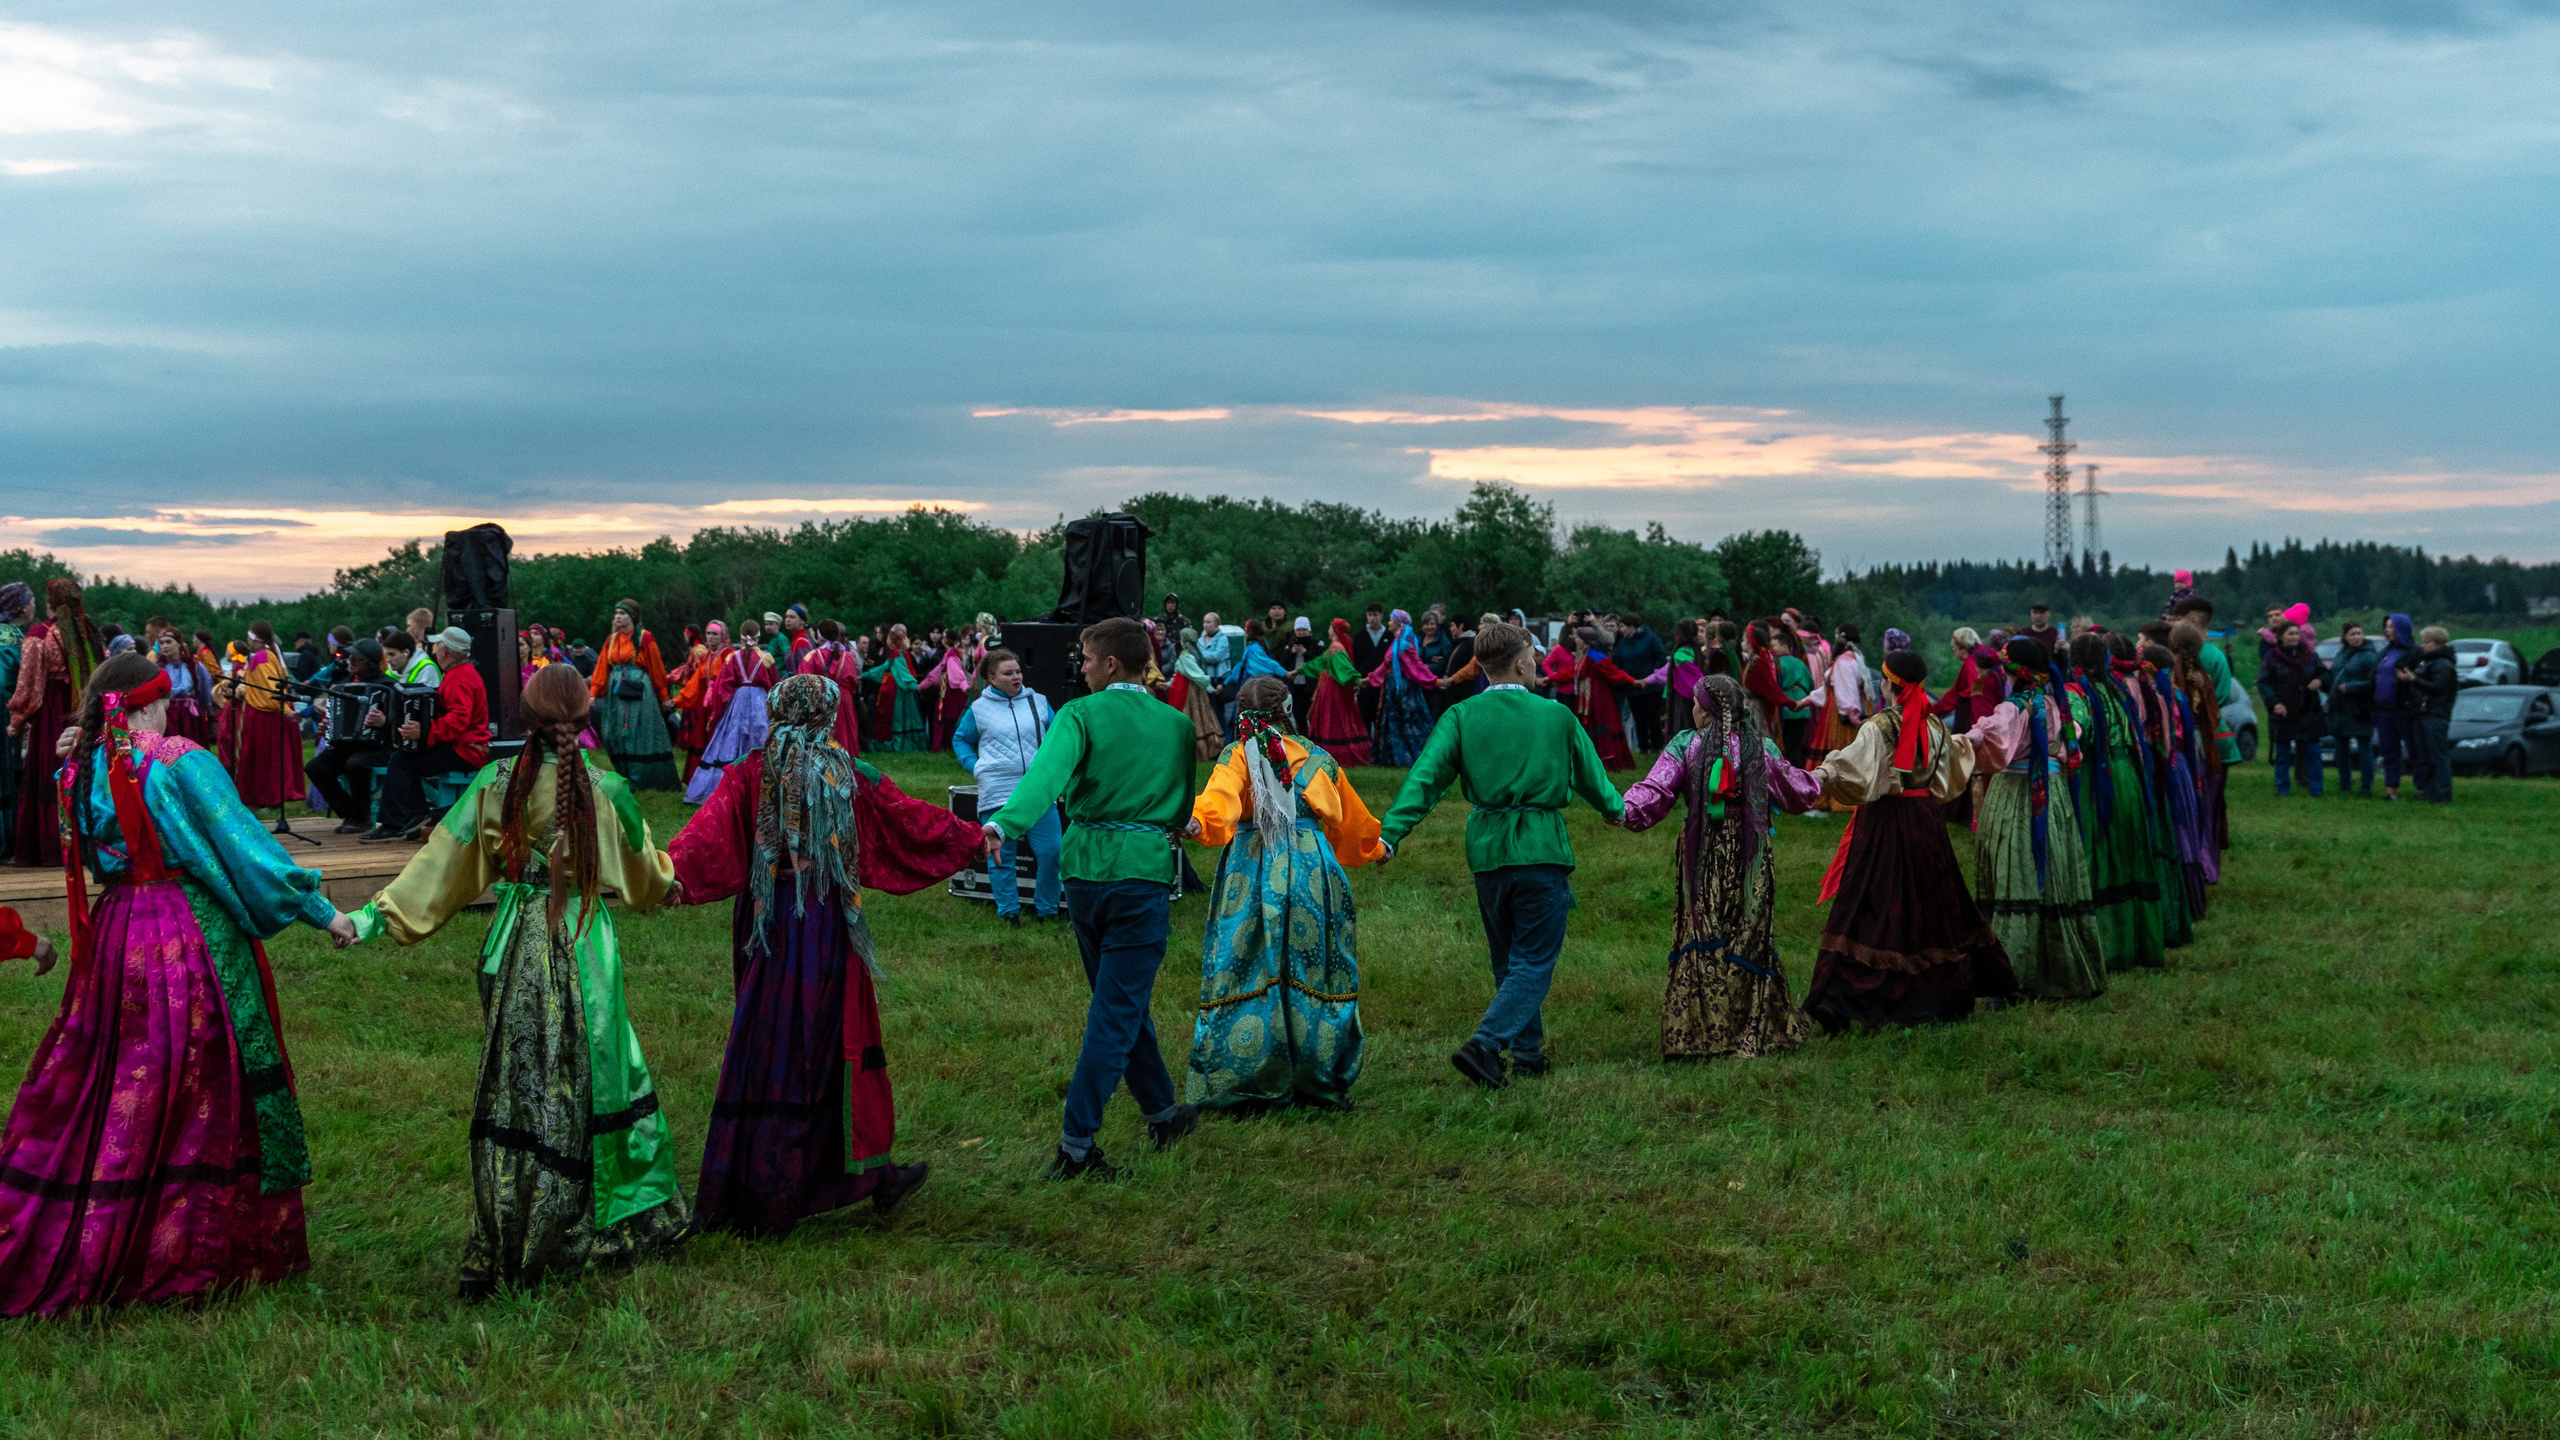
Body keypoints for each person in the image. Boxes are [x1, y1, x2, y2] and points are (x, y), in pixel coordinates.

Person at [0, 652, 355, 1316]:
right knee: (203, 1082)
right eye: (165, 702)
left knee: (123, 1079)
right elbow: (241, 846)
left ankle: (112, 1221)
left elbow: (83, 843)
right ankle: (194, 1242)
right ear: (146, 704)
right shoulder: (176, 758)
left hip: (118, 933)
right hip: (188, 936)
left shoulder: (80, 765)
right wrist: (322, 911)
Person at [344, 663, 690, 1296]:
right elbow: (642, 872)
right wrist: (666, 887)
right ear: (585, 719)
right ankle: (602, 1221)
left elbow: (441, 867)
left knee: (522, 1079)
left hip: (518, 944)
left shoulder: (497, 783)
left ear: (525, 720)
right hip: (585, 944)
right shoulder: (606, 788)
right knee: (600, 1070)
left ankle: (515, 1215)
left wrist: (371, 919)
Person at [668, 674, 977, 1235]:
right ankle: (838, 1181)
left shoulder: (751, 772)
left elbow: (703, 840)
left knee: (764, 1037)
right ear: (830, 716)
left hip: (766, 920)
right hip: (823, 923)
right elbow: (910, 821)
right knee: (829, 1039)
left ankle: (751, 1187)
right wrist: (976, 839)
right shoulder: (846, 772)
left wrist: (662, 875)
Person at [979, 617, 1201, 1181]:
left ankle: (1162, 1113)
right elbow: (1179, 811)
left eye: (1084, 658)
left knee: (1119, 1002)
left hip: (1083, 875)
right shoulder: (1176, 725)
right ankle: (1076, 1146)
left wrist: (1004, 824)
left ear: (1110, 664)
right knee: (1117, 1009)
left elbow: (1043, 778)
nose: (1079, 667)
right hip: (1143, 873)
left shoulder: (1079, 714)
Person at [1376, 622, 1624, 1089]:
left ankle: (1528, 1052)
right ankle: (1486, 1044)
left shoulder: (1462, 715)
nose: (1535, 661)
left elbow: (1425, 777)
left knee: (1506, 955)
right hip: (1540, 846)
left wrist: (1391, 834)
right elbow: (1592, 777)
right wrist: (1616, 810)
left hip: (1488, 849)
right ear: (1520, 662)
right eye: (1532, 655)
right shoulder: (1555, 716)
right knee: (1534, 957)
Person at [1181, 675, 1384, 1111]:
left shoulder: (1238, 755)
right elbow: (1352, 821)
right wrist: (1375, 848)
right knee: (1316, 964)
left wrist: (1200, 822)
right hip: (1312, 871)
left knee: (1245, 962)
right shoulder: (1319, 758)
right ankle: (1319, 1077)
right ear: (1289, 710)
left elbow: (1220, 797)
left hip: (1251, 869)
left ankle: (1246, 1077)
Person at [1801, 648, 2020, 1031]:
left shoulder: (1879, 726)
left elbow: (1855, 766)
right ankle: (1936, 994)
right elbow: (1952, 768)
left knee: (1872, 903)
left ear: (1889, 684)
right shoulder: (1933, 725)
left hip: (1885, 823)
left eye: (1883, 678)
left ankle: (1848, 996)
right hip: (1925, 823)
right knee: (1932, 900)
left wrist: (1823, 773)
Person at [1620, 673, 1823, 1059]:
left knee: (1703, 925)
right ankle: (1749, 1031)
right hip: (1751, 852)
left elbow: (1656, 790)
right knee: (1748, 928)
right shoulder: (1759, 748)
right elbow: (1796, 790)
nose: (1692, 710)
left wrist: (1622, 809)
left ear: (1705, 709)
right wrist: (1823, 778)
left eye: (1696, 703)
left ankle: (1700, 1033)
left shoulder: (1686, 745)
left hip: (1701, 850)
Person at [1966, 638, 2107, 1001]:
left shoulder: (2013, 708)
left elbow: (1987, 738)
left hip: (2017, 794)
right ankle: (2057, 969)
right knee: (2050, 874)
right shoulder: (2054, 703)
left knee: (2016, 870)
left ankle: (2009, 975)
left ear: (2014, 672)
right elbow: (2070, 737)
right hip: (2053, 796)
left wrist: (1955, 742)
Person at [2068, 633, 2165, 971]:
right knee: (2131, 852)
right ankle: (2140, 943)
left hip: (2099, 780)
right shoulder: (2118, 690)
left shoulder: (2077, 693)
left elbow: (2078, 733)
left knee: (2100, 854)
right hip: (2130, 778)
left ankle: (2107, 947)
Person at [955, 649, 1062, 926]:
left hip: (1038, 791)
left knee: (1052, 852)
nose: (1016, 677)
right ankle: (1008, 913)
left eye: (1017, 671)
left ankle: (1047, 911)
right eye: (1008, 673)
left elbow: (1057, 737)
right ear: (991, 678)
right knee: (1002, 855)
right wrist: (976, 766)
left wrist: (1053, 770)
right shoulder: (979, 709)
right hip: (998, 791)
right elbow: (961, 740)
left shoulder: (1039, 702)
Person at [366, 628, 489, 842]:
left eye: (437, 646)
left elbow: (459, 721)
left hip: (466, 750)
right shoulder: (461, 673)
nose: (435, 650)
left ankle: (397, 821)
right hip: (466, 747)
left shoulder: (459, 678)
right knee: (405, 758)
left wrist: (424, 731)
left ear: (446, 651)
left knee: (402, 760)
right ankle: (415, 815)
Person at [214, 622, 306, 814]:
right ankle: (267, 798)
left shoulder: (261, 658)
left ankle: (263, 798)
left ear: (255, 639)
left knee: (262, 758)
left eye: (249, 637)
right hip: (267, 713)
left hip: (263, 715)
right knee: (266, 758)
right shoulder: (269, 655)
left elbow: (268, 690)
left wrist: (282, 708)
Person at [585, 601, 678, 789]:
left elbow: (657, 668)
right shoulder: (611, 640)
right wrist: (594, 692)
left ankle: (643, 777)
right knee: (615, 733)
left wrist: (664, 696)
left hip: (639, 692)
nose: (618, 616)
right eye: (616, 613)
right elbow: (602, 668)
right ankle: (624, 773)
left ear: (632, 616)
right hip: (616, 694)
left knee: (639, 733)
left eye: (622, 613)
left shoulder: (645, 638)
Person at [303, 638, 392, 833]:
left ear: (367, 661)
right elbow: (336, 716)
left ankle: (361, 817)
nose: (349, 659)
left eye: (355, 657)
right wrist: (329, 724)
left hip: (379, 747)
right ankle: (353, 814)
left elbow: (400, 720)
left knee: (356, 764)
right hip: (347, 746)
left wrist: (385, 721)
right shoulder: (343, 684)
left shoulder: (388, 685)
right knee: (315, 767)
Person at [682, 626, 777, 805]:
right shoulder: (766, 658)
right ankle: (760, 787)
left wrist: (717, 713)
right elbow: (774, 684)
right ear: (758, 637)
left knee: (731, 739)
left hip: (738, 701)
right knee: (759, 738)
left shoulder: (733, 657)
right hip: (759, 701)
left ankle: (727, 786)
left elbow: (722, 688)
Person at [1551, 625, 1640, 769]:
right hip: (1588, 698)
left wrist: (1633, 681)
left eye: (1578, 637)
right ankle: (1590, 760)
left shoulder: (1595, 656)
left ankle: (1606, 760)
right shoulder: (1585, 656)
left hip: (1599, 698)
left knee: (1600, 724)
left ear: (1585, 640)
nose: (1576, 640)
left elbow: (1614, 673)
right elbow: (1573, 674)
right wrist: (1550, 679)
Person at [2257, 621, 2327, 797]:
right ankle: (2282, 788)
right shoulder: (2272, 657)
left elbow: (2325, 673)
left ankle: (2316, 789)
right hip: (2284, 711)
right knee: (2283, 753)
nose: (2295, 637)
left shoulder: (2309, 655)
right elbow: (2264, 683)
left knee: (2313, 751)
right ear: (2281, 637)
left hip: (2308, 708)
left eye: (2296, 633)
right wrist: (2275, 703)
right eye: (2290, 634)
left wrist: (2320, 681)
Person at [1362, 609, 1438, 767]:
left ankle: (1409, 756)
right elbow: (1386, 665)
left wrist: (1433, 680)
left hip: (1404, 690)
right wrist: (1370, 679)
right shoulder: (1397, 642)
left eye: (1390, 620)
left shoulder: (1403, 644)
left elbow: (1416, 665)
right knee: (1394, 723)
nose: (1389, 623)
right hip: (1394, 689)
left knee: (1408, 722)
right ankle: (1393, 757)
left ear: (1398, 623)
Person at [1302, 618, 1372, 765]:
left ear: (1334, 630)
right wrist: (1298, 670)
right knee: (1336, 716)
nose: (1328, 630)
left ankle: (1334, 752)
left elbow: (1343, 667)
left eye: (1330, 627)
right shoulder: (1336, 647)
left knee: (1333, 718)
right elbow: (1319, 662)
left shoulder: (1336, 647)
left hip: (1332, 689)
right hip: (1329, 687)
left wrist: (1356, 679)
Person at [2370, 613, 2424, 801]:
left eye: (2392, 626)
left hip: (2404, 708)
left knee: (2415, 750)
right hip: (2382, 709)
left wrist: (2410, 682)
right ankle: (2391, 789)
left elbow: (2422, 679)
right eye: (2386, 626)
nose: (2387, 630)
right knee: (2388, 751)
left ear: (2402, 629)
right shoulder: (2385, 652)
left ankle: (2422, 788)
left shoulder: (2415, 652)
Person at [2326, 620, 2379, 796]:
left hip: (2359, 707)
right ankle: (2345, 784)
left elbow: (2373, 682)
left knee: (2364, 746)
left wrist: (2351, 686)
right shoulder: (2341, 654)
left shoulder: (2369, 656)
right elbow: (2333, 675)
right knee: (2341, 747)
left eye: (2359, 633)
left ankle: (2366, 786)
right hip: (2340, 707)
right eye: (2352, 634)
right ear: (2345, 637)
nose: (2356, 637)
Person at [2407, 626, 2458, 804]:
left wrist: (2414, 679)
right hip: (2422, 712)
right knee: (2425, 756)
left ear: (2438, 644)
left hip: (2435, 714)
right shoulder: (2427, 662)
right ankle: (2429, 792)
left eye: (2427, 642)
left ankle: (2443, 794)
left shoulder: (2443, 664)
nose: (2423, 646)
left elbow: (2438, 687)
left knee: (2438, 756)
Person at [861, 624, 929, 753]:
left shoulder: (897, 654)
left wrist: (914, 686)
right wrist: (864, 676)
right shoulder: (895, 653)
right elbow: (883, 668)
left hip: (898, 691)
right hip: (894, 689)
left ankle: (900, 745)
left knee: (899, 718)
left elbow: (903, 673)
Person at [152, 627, 218, 749]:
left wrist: (203, 709)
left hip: (190, 714)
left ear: (179, 643)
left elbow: (205, 689)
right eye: (161, 643)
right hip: (168, 714)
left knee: (191, 748)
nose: (165, 646)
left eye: (169, 642)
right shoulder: (158, 668)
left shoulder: (194, 665)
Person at [1613, 614, 1669, 752]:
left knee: (1653, 716)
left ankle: (1656, 745)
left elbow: (1661, 657)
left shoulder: (1650, 638)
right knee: (1639, 718)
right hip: (1632, 686)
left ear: (1632, 626)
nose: (1620, 629)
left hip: (1651, 686)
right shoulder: (1623, 643)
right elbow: (1619, 663)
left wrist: (1651, 677)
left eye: (1622, 626)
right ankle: (1643, 747)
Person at [0, 582, 25, 864]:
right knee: (7, 771)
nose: (32, 605)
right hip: (5, 707)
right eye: (28, 600)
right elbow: (11, 679)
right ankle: (7, 842)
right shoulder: (10, 636)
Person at [1351, 603, 1390, 732]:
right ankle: (1366, 748)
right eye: (1370, 615)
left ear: (1381, 616)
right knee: (1364, 719)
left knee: (1382, 719)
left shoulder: (1390, 635)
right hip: (1365, 683)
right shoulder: (1359, 636)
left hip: (1384, 684)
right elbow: (1354, 659)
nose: (1373, 618)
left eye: (1375, 615)